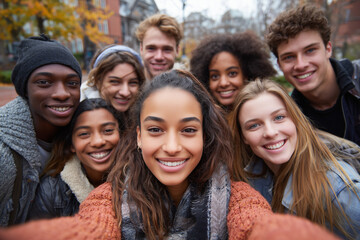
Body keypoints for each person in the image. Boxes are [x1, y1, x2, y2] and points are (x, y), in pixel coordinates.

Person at [0, 70, 340, 240]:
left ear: (206, 136)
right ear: (136, 136)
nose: (173, 146)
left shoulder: (239, 197)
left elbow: (257, 225)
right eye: (156, 129)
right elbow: (91, 228)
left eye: (189, 130)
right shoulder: (108, 198)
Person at [229, 79, 360, 239]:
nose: (270, 132)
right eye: (254, 125)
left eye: (279, 117)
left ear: (295, 119)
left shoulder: (339, 190)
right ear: (244, 137)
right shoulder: (247, 178)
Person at [0, 34, 82, 226]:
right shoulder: (4, 154)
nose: (62, 93)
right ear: (25, 90)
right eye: (44, 82)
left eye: (72, 83)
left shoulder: (83, 136)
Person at [266, 4, 360, 145]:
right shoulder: (289, 121)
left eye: (310, 50)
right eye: (289, 57)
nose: (301, 64)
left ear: (328, 49)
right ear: (279, 65)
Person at [27, 98, 125, 220]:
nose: (98, 141)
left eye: (108, 130)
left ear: (121, 135)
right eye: (84, 134)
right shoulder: (51, 191)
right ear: (71, 144)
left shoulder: (141, 180)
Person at [190, 31, 276, 112]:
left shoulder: (267, 110)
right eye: (215, 76)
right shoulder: (203, 121)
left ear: (246, 75)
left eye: (232, 73)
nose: (223, 83)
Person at [80, 44, 145, 116]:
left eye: (133, 83)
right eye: (115, 82)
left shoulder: (145, 114)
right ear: (98, 81)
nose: (125, 92)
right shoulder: (81, 119)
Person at [136, 13, 183, 81]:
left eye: (167, 49)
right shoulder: (127, 89)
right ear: (141, 49)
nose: (159, 57)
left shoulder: (189, 90)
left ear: (177, 50)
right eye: (151, 48)